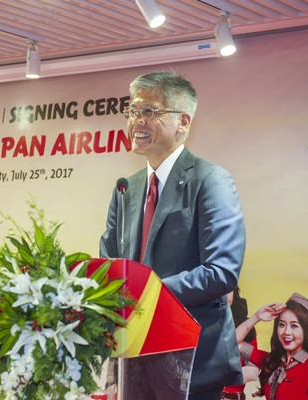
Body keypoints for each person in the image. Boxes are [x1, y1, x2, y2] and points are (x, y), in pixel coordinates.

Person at [99, 70, 246, 400]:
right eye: (133, 111)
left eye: (149, 111)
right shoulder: (127, 188)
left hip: (193, 361)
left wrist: (145, 295)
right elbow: (111, 263)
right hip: (133, 358)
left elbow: (221, 271)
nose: (137, 120)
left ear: (183, 121)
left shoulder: (210, 180)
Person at [235, 293, 308, 400]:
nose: (286, 332)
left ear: (306, 330)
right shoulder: (272, 361)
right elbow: (234, 343)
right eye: (282, 324)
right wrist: (257, 317)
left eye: (294, 326)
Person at [222, 287, 259, 400]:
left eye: (228, 290)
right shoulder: (199, 324)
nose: (224, 296)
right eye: (218, 291)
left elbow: (252, 371)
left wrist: (214, 375)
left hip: (232, 397)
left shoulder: (245, 327)